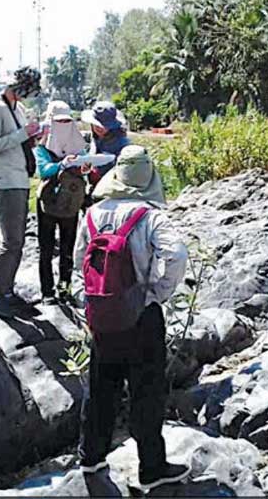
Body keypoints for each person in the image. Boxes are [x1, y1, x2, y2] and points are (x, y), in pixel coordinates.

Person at [74, 145, 189, 492]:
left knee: (100, 386)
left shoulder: (92, 214)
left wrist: (88, 300)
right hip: (141, 315)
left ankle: (90, 455)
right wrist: (157, 292)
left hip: (103, 313)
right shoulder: (151, 215)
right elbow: (177, 254)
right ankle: (152, 469)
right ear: (148, 176)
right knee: (146, 392)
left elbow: (79, 260)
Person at [0, 66, 43, 317]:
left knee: (17, 240)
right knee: (12, 241)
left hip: (19, 178)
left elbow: (18, 141)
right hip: (5, 181)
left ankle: (6, 291)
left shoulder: (17, 108)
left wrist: (33, 137)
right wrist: (22, 134)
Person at [34, 100, 91, 304]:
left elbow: (86, 165)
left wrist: (83, 167)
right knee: (46, 249)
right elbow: (44, 170)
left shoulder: (77, 143)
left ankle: (64, 289)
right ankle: (47, 292)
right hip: (48, 203)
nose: (64, 125)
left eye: (67, 121)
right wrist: (62, 164)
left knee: (68, 249)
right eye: (59, 121)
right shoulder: (43, 146)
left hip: (71, 203)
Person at [80, 101, 131, 187]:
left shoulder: (122, 143)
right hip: (95, 182)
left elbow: (125, 168)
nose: (99, 128)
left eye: (104, 126)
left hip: (112, 185)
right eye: (96, 125)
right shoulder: (94, 137)